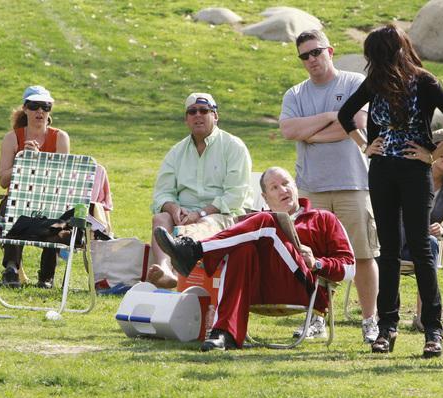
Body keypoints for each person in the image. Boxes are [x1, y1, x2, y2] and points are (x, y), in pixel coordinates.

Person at [338, 25, 443, 357]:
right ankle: (387, 329)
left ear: (390, 52)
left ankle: (433, 331)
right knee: (389, 252)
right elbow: (345, 115)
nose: (373, 63)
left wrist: (433, 154)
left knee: (421, 248)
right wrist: (367, 145)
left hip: (415, 173)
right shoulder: (375, 84)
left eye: (375, 55)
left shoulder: (425, 82)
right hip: (382, 172)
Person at [153, 167, 355, 351]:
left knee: (267, 222)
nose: (282, 190)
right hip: (258, 288)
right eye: (274, 188)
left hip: (301, 287)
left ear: (295, 186)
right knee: (243, 248)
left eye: (286, 184)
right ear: (265, 197)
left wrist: (317, 263)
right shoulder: (254, 224)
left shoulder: (323, 218)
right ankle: (225, 333)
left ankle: (194, 251)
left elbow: (349, 267)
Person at [279, 30, 380, 344]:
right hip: (312, 188)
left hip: (353, 185)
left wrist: (311, 132)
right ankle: (316, 318)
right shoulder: (295, 94)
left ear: (330, 51)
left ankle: (370, 321)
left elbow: (355, 125)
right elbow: (288, 129)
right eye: (304, 56)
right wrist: (332, 116)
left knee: (362, 255)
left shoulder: (352, 83)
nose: (311, 60)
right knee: (312, 257)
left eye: (316, 52)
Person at [149, 92, 252, 289]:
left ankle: (180, 253)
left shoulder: (233, 146)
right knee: (161, 218)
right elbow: (161, 193)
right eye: (192, 111)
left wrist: (200, 213)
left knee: (206, 223)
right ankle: (165, 270)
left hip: (223, 215)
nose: (198, 115)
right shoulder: (176, 152)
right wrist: (173, 209)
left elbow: (235, 196)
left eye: (204, 110)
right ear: (186, 119)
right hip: (185, 214)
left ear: (215, 116)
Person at [0, 85, 70, 288]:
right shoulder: (12, 138)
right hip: (17, 201)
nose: (40, 111)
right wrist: (24, 161)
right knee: (12, 208)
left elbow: (62, 180)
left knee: (58, 215)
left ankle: (46, 276)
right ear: (25, 109)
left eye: (45, 106)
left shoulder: (60, 138)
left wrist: (40, 161)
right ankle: (11, 269)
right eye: (34, 105)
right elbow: (3, 180)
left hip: (50, 202)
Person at [400, 129, 443, 332]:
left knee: (432, 243)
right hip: (397, 240)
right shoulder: (409, 173)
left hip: (426, 247)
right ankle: (383, 315)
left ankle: (423, 318)